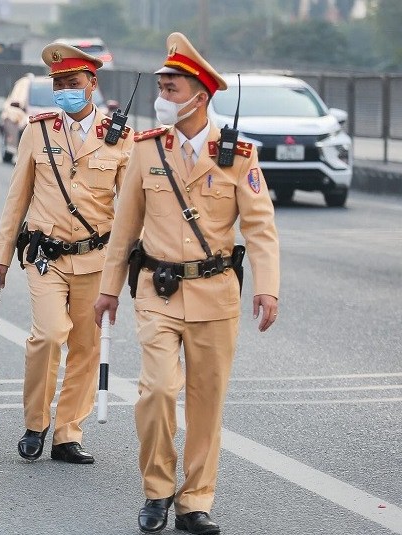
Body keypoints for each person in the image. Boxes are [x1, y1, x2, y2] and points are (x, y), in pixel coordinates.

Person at [94, 32, 280, 534]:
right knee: (156, 391)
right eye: (160, 85)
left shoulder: (237, 155)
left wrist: (268, 287)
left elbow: (260, 228)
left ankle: (194, 501)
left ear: (201, 96)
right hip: (157, 290)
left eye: (171, 87)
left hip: (217, 295)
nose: (162, 96)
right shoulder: (146, 148)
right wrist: (109, 288)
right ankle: (157, 490)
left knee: (205, 402)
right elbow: (124, 226)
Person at [0, 43, 133, 464]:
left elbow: (131, 209)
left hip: (96, 258)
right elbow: (17, 198)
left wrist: (129, 265)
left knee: (87, 348)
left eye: (72, 83)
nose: (65, 90)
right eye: (58, 84)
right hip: (45, 256)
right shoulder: (38, 130)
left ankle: (68, 432)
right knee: (49, 335)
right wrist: (0, 256)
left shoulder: (121, 137)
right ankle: (36, 423)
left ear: (92, 84)